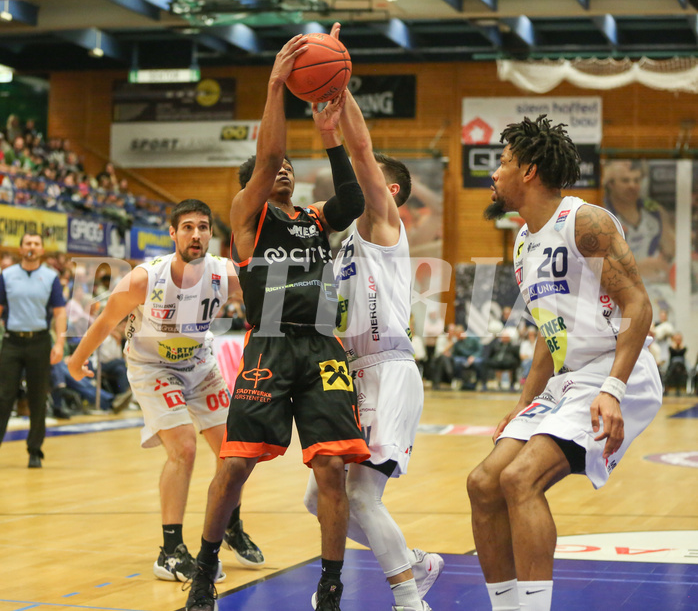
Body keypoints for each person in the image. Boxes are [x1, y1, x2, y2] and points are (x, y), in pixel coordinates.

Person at [185, 34, 370, 611]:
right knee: (235, 463)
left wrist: (329, 134)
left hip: (320, 350)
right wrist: (274, 85)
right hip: (268, 348)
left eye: (292, 166)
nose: (284, 170)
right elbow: (265, 160)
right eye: (276, 169)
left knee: (333, 468)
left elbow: (354, 199)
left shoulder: (314, 218)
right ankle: (205, 567)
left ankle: (331, 586)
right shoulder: (246, 216)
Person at [467, 115, 663, 611]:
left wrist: (613, 391)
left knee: (520, 479)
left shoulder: (585, 221)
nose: (495, 172)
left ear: (529, 171)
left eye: (504, 162)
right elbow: (545, 335)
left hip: (618, 370)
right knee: (484, 483)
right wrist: (523, 404)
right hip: (567, 379)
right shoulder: (523, 242)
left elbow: (639, 305)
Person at [302, 57, 443, 611]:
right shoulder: (345, 244)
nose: (353, 187)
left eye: (366, 181)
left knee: (360, 493)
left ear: (388, 190)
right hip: (352, 374)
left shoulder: (385, 224)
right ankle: (412, 562)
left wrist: (340, 95)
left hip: (388, 368)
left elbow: (361, 156)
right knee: (321, 497)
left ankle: (409, 597)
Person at [67, 199, 264, 583]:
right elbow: (106, 320)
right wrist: (75, 363)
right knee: (184, 446)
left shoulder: (226, 274)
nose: (196, 234)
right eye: (187, 226)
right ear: (172, 233)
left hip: (199, 364)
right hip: (152, 366)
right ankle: (170, 550)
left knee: (234, 452)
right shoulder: (144, 278)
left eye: (203, 227)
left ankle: (229, 524)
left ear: (211, 234)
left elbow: (271, 301)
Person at [0, 232, 67, 468]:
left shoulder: (51, 278)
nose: (31, 247)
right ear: (20, 249)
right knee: (3, 396)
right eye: (27, 243)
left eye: (36, 244)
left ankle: (35, 451)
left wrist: (59, 343)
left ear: (41, 250)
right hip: (11, 341)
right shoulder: (6, 275)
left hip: (39, 341)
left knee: (38, 397)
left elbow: (59, 313)